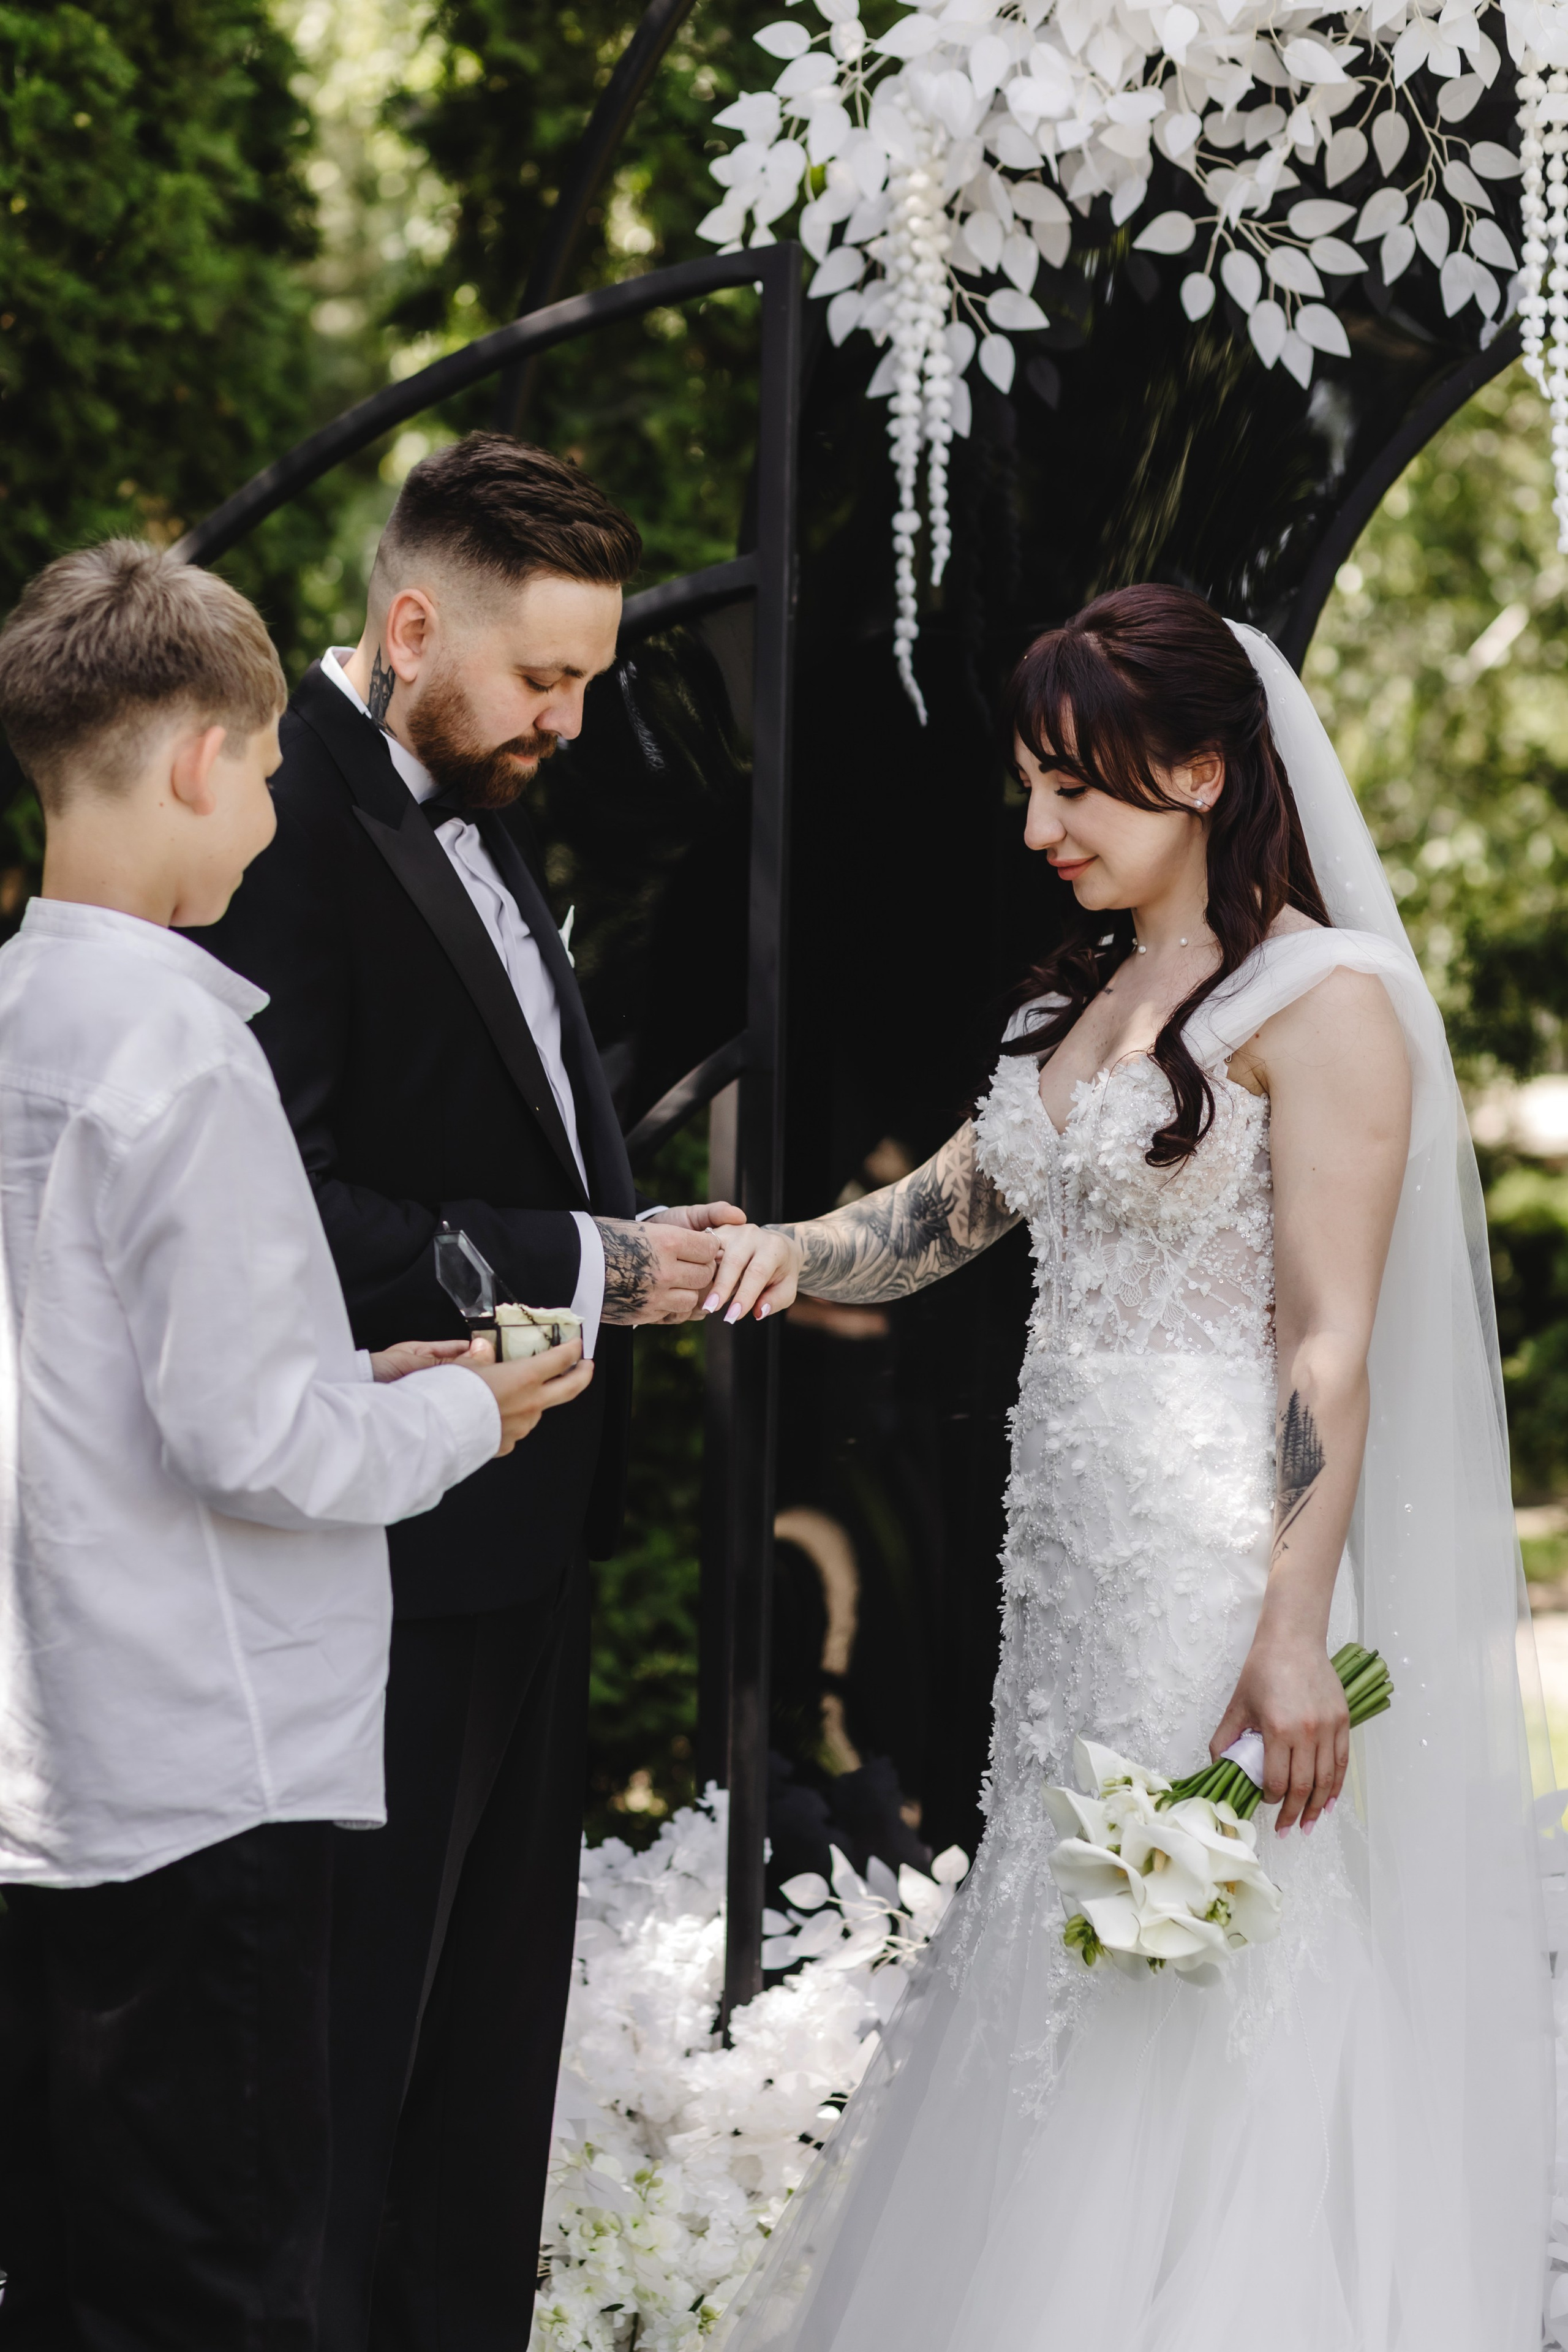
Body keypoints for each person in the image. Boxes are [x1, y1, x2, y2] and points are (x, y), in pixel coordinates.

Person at [703, 586, 1554, 2350]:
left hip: (1212, 1564)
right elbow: (933, 1224)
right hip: (1066, 1565)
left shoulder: (1325, 1003)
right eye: (1028, 785)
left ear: (1199, 766)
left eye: (1075, 787)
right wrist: (746, 1254)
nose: (1040, 830)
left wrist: (1296, 1627)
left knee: (1218, 1955)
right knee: (1056, 1916)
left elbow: (1327, 1340)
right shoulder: (1066, 1011)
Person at [0, 540, 592, 2349]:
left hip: (50, 1771)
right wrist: (458, 1406)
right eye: (265, 765)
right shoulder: (181, 1056)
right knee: (221, 2285)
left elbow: (113, 1383)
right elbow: (258, 1444)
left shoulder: (25, 1017)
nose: (273, 801)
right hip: (209, 1777)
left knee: (69, 2273)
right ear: (199, 759)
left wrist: (365, 1381)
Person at [194, 432, 739, 2351]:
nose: (573, 721)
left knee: (485, 2082)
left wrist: (623, 1226)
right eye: (546, 678)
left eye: (589, 677)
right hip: (372, 1559)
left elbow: (505, 1126)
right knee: (343, 2084)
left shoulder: (493, 790)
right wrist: (587, 1264)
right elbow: (283, 1210)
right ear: (413, 623)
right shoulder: (275, 827)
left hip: (520, 1542)